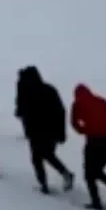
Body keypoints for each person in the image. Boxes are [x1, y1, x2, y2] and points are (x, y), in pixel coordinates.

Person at [15, 66, 75, 194]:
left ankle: (45, 185)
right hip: (49, 131)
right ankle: (63, 175)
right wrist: (62, 132)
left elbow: (21, 111)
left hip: (37, 131)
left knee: (38, 158)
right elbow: (61, 111)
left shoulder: (27, 92)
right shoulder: (49, 89)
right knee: (47, 155)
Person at [70, 83, 106, 210]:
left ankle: (97, 202)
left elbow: (74, 123)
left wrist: (85, 130)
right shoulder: (101, 101)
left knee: (90, 173)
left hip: (93, 141)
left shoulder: (77, 105)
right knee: (96, 170)